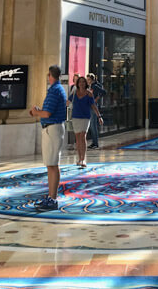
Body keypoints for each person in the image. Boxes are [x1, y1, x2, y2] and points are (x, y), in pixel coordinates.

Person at [29, 65, 67, 210]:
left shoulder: (55, 91)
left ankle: (53, 198)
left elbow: (47, 113)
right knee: (51, 164)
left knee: (52, 165)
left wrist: (36, 112)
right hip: (52, 129)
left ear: (50, 75)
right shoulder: (57, 90)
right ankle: (51, 196)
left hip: (52, 129)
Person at [68, 76, 102, 168]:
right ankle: (79, 158)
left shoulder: (89, 94)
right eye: (80, 82)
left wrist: (99, 116)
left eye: (83, 82)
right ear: (77, 84)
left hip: (85, 118)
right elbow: (67, 102)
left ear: (86, 83)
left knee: (83, 137)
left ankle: (83, 159)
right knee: (78, 139)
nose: (82, 83)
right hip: (75, 117)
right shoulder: (74, 93)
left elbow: (93, 106)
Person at [86, 72, 105, 149]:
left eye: (89, 80)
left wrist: (97, 98)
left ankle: (95, 143)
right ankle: (94, 142)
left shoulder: (95, 86)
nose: (88, 81)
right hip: (89, 106)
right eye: (87, 80)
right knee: (91, 125)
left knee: (93, 125)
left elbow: (104, 92)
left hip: (93, 107)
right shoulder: (88, 86)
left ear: (92, 80)